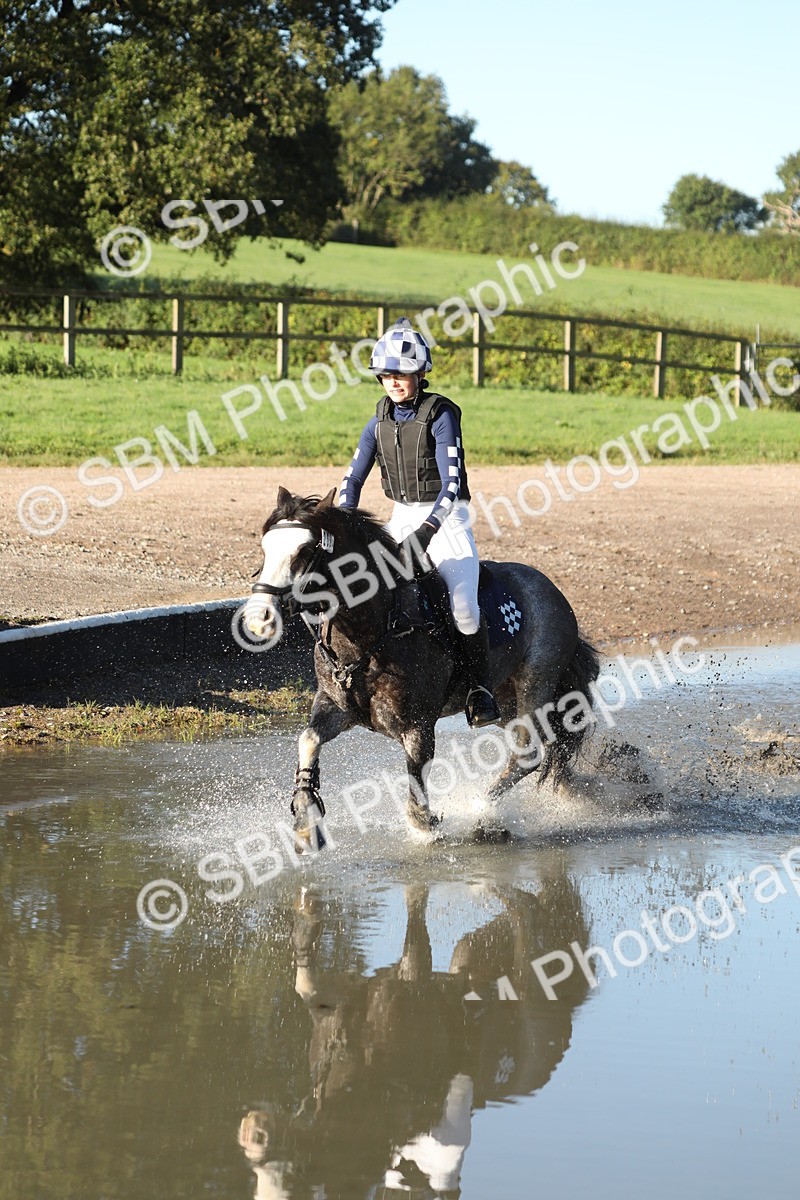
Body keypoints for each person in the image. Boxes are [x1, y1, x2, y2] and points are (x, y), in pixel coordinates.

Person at [338, 317, 500, 727]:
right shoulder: (377, 423)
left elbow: (452, 484)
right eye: (387, 375)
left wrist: (427, 532)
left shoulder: (442, 415)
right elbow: (352, 479)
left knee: (463, 608)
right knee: (362, 588)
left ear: (421, 373)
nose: (394, 382)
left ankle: (480, 690)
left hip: (447, 520)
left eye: (403, 374)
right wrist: (340, 523)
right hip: (401, 517)